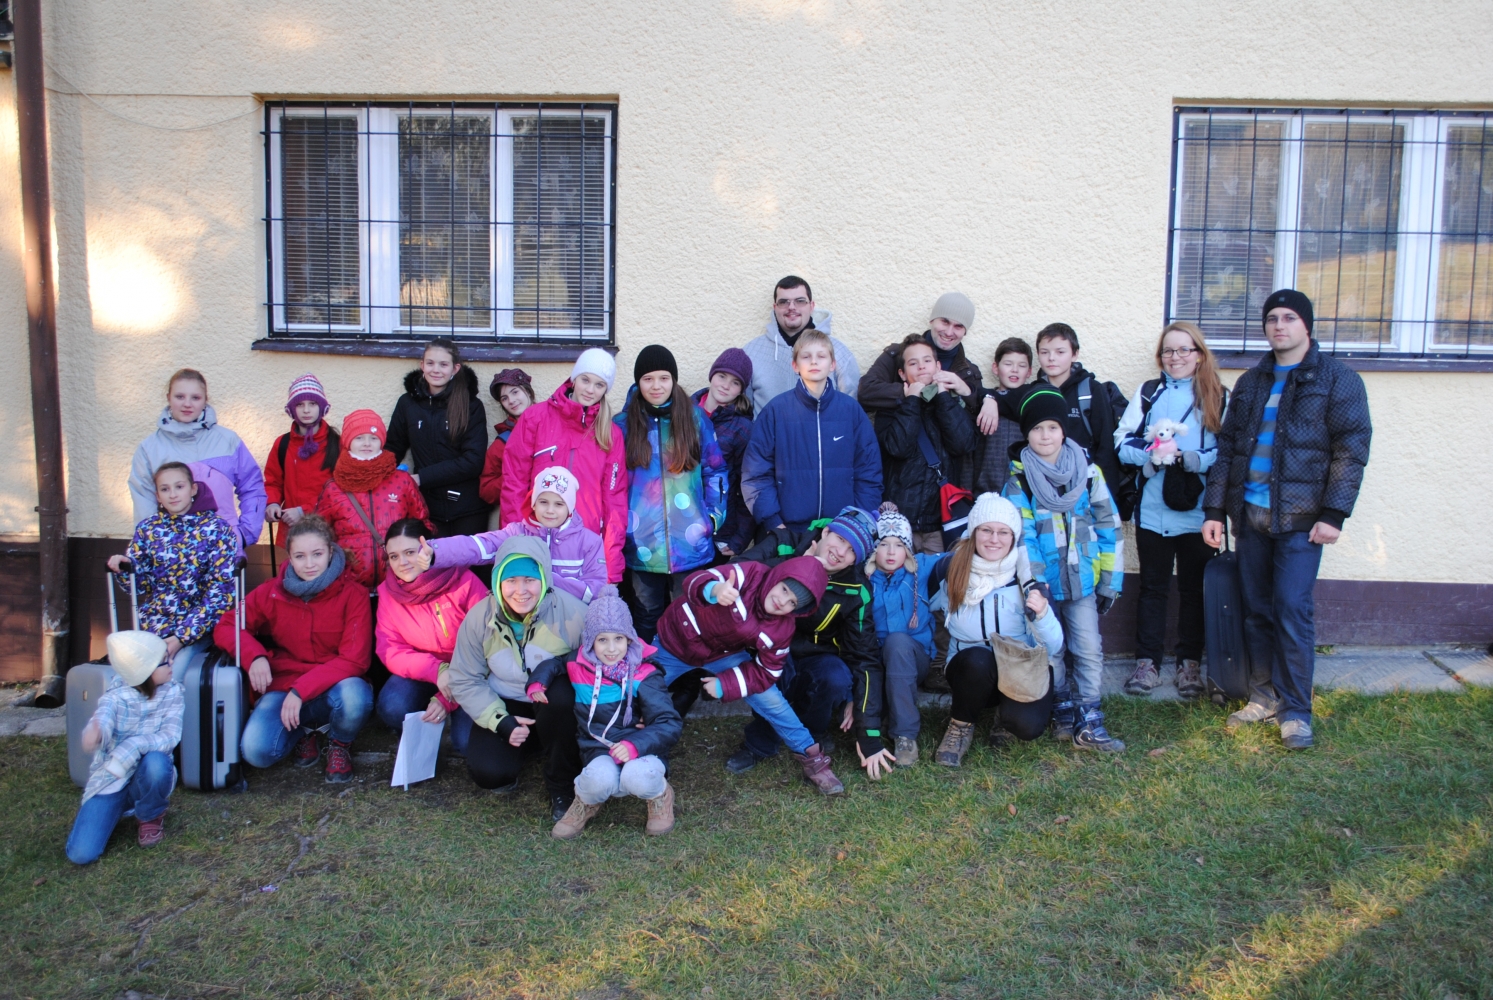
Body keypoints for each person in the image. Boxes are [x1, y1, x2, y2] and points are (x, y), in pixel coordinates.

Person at [1202, 289, 1371, 750]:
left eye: (1289, 317)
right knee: (1256, 611)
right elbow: (1228, 449)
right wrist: (1215, 510)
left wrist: (1334, 513)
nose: (1279, 326)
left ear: (1307, 325)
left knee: (1292, 611)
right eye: (1272, 318)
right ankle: (1263, 697)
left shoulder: (1338, 380)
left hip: (1301, 519)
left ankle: (1296, 711)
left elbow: (1351, 450)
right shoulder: (1253, 381)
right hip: (1250, 514)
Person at [651, 555, 844, 795]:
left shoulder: (782, 628)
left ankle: (812, 757)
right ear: (777, 578)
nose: (782, 601)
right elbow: (694, 581)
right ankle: (637, 750)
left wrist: (726, 684)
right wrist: (715, 589)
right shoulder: (751, 574)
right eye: (784, 589)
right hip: (673, 644)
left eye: (792, 602)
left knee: (773, 700)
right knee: (637, 692)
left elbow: (767, 672)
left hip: (722, 654)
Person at [723, 507, 888, 780]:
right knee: (773, 668)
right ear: (826, 531)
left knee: (836, 677)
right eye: (839, 539)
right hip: (770, 643)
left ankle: (812, 734)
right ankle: (760, 742)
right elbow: (736, 572)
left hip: (818, 654)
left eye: (851, 551)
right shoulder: (785, 542)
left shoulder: (857, 589)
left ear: (855, 561)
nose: (840, 552)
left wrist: (869, 734)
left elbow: (865, 657)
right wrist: (800, 566)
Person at [1004, 387, 1126, 753]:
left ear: (1063, 430)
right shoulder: (1019, 481)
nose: (1045, 436)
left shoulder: (1088, 474)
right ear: (1027, 433)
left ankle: (1089, 717)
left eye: (1053, 427)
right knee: (1050, 649)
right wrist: (1033, 582)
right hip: (1043, 585)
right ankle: (1062, 709)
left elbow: (1109, 527)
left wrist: (1110, 581)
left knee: (1088, 648)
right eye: (1037, 428)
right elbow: (1022, 537)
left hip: (1083, 580)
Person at [1114, 321, 1226, 698]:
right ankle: (1147, 663)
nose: (1175, 357)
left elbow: (1227, 452)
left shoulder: (1217, 395)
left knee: (1194, 590)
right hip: (1153, 510)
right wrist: (1152, 454)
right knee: (1153, 588)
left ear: (1199, 355)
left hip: (1199, 512)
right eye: (1168, 351)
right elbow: (1121, 442)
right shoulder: (1149, 392)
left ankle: (1189, 663)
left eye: (1183, 350)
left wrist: (1192, 458)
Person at [216, 516, 373, 783]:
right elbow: (227, 624)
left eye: (317, 554)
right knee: (257, 751)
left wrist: (302, 690)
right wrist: (254, 656)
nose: (309, 564)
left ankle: (339, 743)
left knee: (356, 696)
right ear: (289, 557)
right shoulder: (272, 591)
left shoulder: (353, 594)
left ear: (330, 552)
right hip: (284, 685)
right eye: (300, 556)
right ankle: (303, 731)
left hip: (332, 685)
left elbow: (354, 660)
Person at [446, 536, 587, 821]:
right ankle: (534, 743)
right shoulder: (479, 618)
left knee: (560, 695)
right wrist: (499, 720)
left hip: (555, 704)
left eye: (529, 580)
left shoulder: (575, 614)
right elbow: (465, 677)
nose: (520, 591)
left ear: (544, 579)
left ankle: (562, 784)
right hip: (506, 702)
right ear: (498, 581)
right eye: (510, 581)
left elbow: (604, 663)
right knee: (489, 774)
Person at [528, 586, 682, 839]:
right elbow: (554, 664)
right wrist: (538, 682)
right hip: (598, 748)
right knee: (596, 781)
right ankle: (585, 802)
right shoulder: (578, 663)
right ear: (590, 641)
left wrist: (635, 745)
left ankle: (659, 795)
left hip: (642, 750)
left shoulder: (645, 673)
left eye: (618, 639)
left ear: (629, 639)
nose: (611, 649)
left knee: (638, 778)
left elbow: (668, 722)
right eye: (602, 640)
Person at [928, 494, 1065, 767]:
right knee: (978, 660)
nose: (994, 539)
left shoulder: (1027, 577)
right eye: (986, 530)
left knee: (1028, 727)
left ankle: (1006, 716)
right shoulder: (950, 568)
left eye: (1003, 532)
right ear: (974, 531)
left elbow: (1053, 645)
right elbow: (923, 605)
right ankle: (960, 725)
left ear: (1014, 537)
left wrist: (1041, 614)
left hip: (1019, 666)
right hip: (970, 667)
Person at [615, 345, 728, 640]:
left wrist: (712, 519)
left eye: (663, 378)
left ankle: (686, 670)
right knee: (646, 614)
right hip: (642, 544)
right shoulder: (623, 425)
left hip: (689, 542)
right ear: (638, 382)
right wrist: (622, 529)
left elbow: (715, 471)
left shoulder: (695, 419)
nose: (656, 386)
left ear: (673, 380)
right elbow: (612, 484)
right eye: (648, 379)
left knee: (689, 616)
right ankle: (648, 667)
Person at [500, 347, 629, 583]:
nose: (590, 390)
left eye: (599, 385)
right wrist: (515, 543)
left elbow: (614, 501)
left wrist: (609, 565)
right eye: (585, 380)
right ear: (574, 378)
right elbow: (514, 484)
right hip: (536, 539)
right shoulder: (535, 418)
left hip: (584, 546)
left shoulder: (611, 434)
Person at [741, 329, 882, 533]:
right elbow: (756, 473)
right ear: (795, 365)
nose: (814, 361)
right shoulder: (775, 411)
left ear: (832, 365)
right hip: (787, 531)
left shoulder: (851, 411)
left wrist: (858, 521)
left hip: (841, 532)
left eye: (821, 356)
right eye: (806, 356)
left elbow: (869, 471)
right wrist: (775, 524)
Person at [106, 462, 238, 681]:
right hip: (154, 626)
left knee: (170, 676)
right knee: (127, 677)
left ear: (193, 489)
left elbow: (221, 594)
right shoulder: (148, 529)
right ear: (157, 495)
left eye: (179, 486)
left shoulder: (217, 529)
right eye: (165, 489)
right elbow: (140, 586)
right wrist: (125, 568)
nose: (173, 494)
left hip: (199, 630)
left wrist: (181, 637)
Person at [857, 292, 1000, 493]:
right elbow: (866, 391)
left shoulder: (968, 371)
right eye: (945, 321)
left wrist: (988, 398)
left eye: (958, 326)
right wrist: (912, 393)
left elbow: (969, 423)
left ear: (965, 332)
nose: (949, 332)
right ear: (932, 320)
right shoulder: (898, 354)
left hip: (943, 482)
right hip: (900, 477)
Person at [65, 631, 183, 864]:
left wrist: (133, 746)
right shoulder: (115, 697)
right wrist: (95, 734)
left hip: (147, 774)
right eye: (164, 661)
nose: (172, 663)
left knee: (157, 762)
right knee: (81, 854)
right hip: (112, 779)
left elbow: (170, 736)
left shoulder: (173, 692)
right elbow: (103, 719)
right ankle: (115, 807)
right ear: (145, 672)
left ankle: (150, 814)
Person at [374, 518, 489, 755]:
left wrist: (446, 699)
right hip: (425, 672)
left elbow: (487, 643)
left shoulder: (464, 581)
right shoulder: (388, 592)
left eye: (410, 552)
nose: (402, 562)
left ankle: (449, 717)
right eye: (394, 556)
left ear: (427, 548)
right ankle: (421, 738)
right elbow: (390, 649)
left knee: (465, 744)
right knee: (392, 705)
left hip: (470, 674)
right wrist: (437, 670)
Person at [128, 367, 266, 552]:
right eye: (180, 396)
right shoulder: (149, 449)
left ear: (205, 400)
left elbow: (252, 487)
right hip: (171, 555)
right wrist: (153, 546)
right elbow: (144, 502)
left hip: (224, 549)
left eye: (195, 397)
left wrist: (244, 533)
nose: (187, 404)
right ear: (168, 398)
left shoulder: (228, 441)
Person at [423, 466, 607, 603]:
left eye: (559, 504)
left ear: (570, 508)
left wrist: (545, 579)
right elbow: (479, 546)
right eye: (543, 502)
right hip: (524, 619)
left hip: (570, 622)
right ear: (533, 503)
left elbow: (594, 591)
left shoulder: (589, 542)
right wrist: (436, 551)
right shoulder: (517, 533)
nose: (550, 510)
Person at [873, 333, 981, 553]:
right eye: (913, 363)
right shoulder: (890, 410)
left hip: (940, 524)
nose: (921, 366)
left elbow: (963, 444)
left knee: (939, 573)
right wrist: (911, 401)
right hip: (899, 523)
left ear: (938, 366)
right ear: (902, 373)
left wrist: (943, 398)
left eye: (927, 361)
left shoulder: (951, 404)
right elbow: (898, 448)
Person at [385, 337, 489, 537]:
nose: (436, 370)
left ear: (455, 368)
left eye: (443, 364)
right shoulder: (407, 404)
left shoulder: (471, 405)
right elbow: (393, 448)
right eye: (430, 363)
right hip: (425, 507)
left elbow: (473, 461)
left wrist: (421, 478)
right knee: (430, 558)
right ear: (422, 365)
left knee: (467, 559)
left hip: (468, 509)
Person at [1031, 324, 1136, 521]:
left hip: (1086, 490)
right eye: (1045, 352)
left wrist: (1107, 499)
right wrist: (989, 399)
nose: (1051, 358)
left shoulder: (1091, 391)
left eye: (1060, 352)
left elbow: (1105, 447)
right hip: (1045, 490)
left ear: (1075, 354)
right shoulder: (1034, 392)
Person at [316, 410, 431, 590]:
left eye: (373, 437)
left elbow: (422, 524)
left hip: (399, 581)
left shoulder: (402, 481)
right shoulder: (334, 487)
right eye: (359, 438)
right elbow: (320, 533)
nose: (367, 443)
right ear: (348, 441)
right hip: (349, 584)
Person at [862, 509, 942, 766]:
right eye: (883, 544)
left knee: (897, 642)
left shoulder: (922, 567)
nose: (891, 552)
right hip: (874, 660)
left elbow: (957, 560)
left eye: (899, 545)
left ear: (907, 549)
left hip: (912, 657)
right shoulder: (863, 577)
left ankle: (905, 735)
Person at [743, 275, 861, 412]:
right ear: (775, 307)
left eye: (800, 301)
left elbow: (850, 410)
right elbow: (743, 410)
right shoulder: (751, 353)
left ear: (811, 306)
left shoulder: (838, 352)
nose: (791, 307)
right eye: (783, 302)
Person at [692, 347, 757, 557]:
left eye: (735, 382)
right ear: (712, 375)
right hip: (682, 522)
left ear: (741, 390)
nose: (726, 385)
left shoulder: (743, 428)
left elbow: (747, 484)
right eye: (722, 376)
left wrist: (741, 537)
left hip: (720, 528)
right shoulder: (684, 412)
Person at [264, 373, 340, 549]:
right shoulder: (283, 444)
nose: (306, 410)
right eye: (300, 404)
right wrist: (272, 503)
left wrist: (303, 511)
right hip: (291, 530)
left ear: (322, 407)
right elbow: (273, 482)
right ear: (292, 409)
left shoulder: (337, 444)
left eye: (312, 404)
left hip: (327, 529)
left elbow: (339, 493)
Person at [974, 338, 1035, 496]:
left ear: (1029, 372)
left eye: (1022, 365)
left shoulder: (1033, 405)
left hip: (1024, 494)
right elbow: (970, 454)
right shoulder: (983, 404)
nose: (1014, 370)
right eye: (1008, 364)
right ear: (995, 367)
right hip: (984, 492)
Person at [479, 368, 536, 520]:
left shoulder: (553, 427)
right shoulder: (502, 442)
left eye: (515, 392)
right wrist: (512, 476)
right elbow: (486, 491)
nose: (511, 400)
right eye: (504, 398)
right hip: (517, 521)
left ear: (528, 391)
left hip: (555, 518)